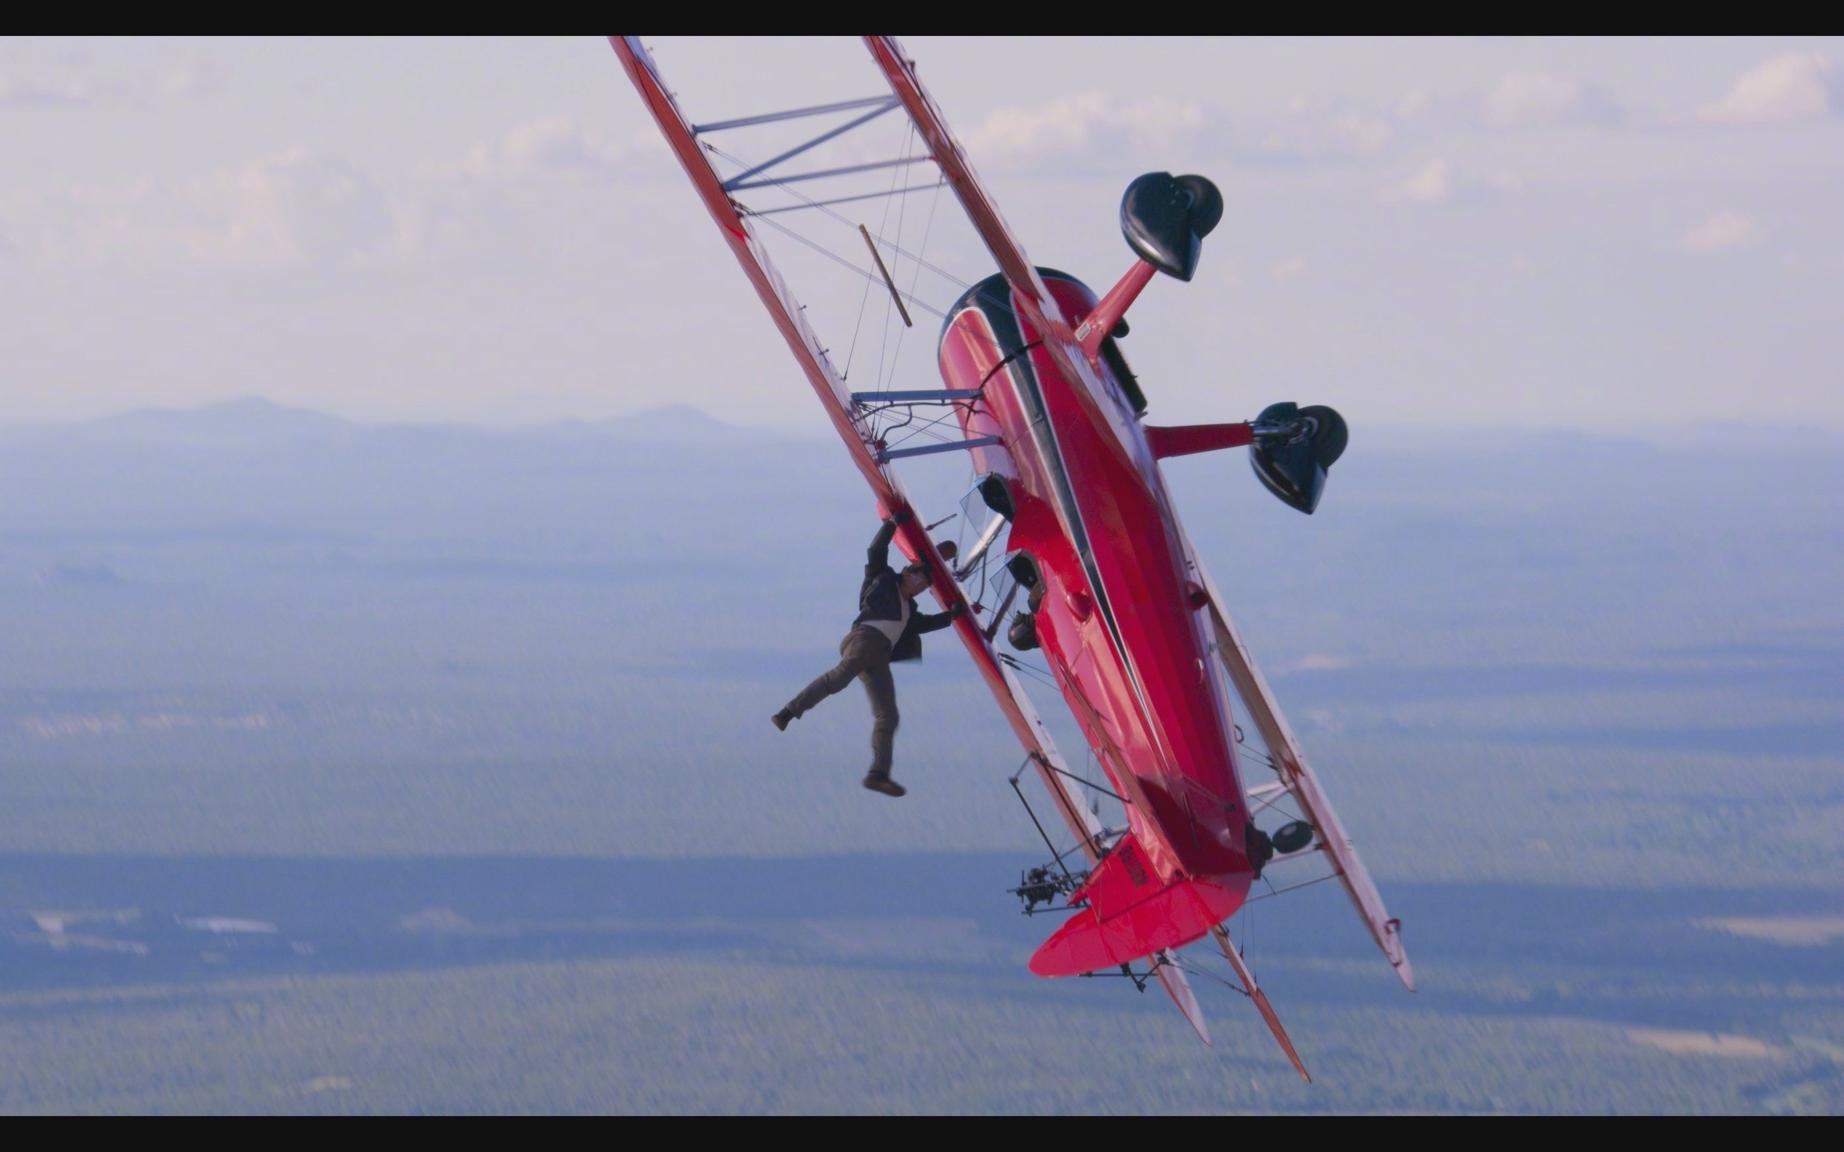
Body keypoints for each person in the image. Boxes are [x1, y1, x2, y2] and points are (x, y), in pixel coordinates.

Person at [772, 510, 964, 797]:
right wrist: (892, 523)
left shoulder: (909, 610)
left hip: (880, 654)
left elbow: (922, 626)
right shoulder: (883, 580)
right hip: (864, 638)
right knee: (839, 679)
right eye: (919, 582)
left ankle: (878, 774)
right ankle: (788, 712)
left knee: (888, 715)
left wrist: (951, 617)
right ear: (907, 574)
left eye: (925, 587)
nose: (922, 588)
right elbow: (876, 550)